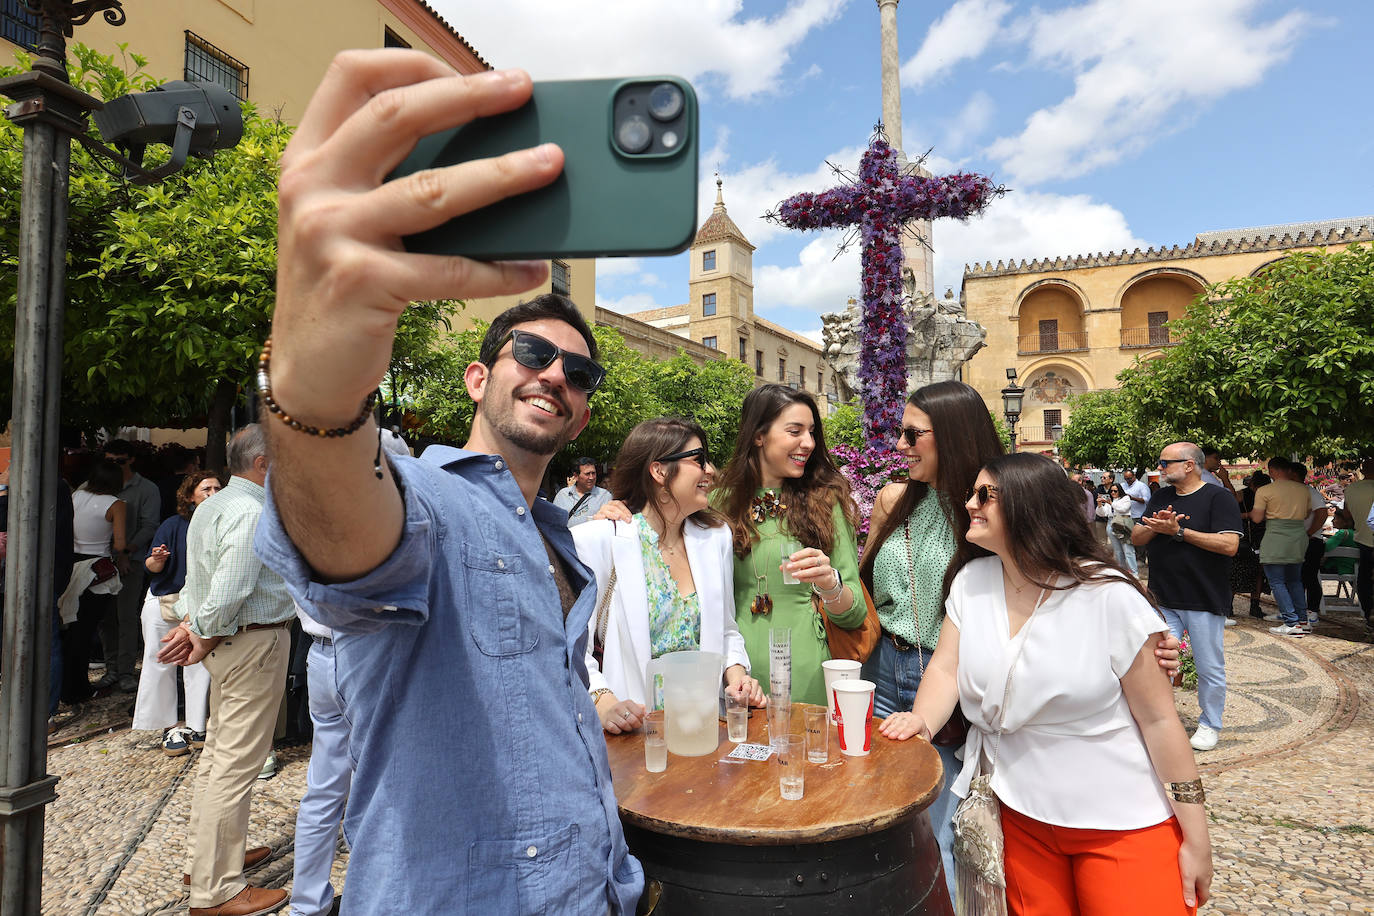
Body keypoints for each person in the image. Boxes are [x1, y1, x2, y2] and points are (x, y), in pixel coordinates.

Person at [254, 90, 645, 912]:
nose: (555, 377)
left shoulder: (556, 536)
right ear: (480, 375)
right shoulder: (423, 499)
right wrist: (315, 389)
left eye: (579, 374)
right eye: (533, 352)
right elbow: (345, 532)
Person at [888, 453, 1212, 915]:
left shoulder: (1107, 596)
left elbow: (1161, 721)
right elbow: (944, 668)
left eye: (984, 495)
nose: (969, 504)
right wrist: (921, 721)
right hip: (1018, 814)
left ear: (1029, 505)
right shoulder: (970, 581)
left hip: (1120, 819)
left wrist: (1196, 839)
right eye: (969, 493)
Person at [856, 379, 1003, 902]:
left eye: (912, 435)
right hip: (881, 668)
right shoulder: (894, 499)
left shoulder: (990, 510)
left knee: (939, 829)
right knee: (875, 811)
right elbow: (866, 582)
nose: (899, 446)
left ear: (953, 435)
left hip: (946, 680)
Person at [158, 425, 293, 916]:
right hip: (251, 639)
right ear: (262, 464)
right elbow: (231, 586)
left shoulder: (211, 506)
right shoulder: (252, 510)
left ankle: (211, 862)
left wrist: (196, 627)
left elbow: (202, 580)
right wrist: (203, 629)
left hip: (233, 641)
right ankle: (217, 890)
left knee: (219, 757)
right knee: (234, 765)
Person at [573, 417, 762, 733]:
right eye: (698, 459)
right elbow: (574, 650)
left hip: (705, 728)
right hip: (637, 735)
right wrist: (603, 702)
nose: (710, 471)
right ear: (659, 471)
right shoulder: (601, 540)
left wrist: (738, 676)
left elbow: (727, 630)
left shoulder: (716, 538)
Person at [711, 384, 865, 707]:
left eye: (811, 432)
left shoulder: (826, 501)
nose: (808, 443)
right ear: (758, 435)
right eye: (795, 431)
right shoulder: (718, 501)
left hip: (805, 674)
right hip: (734, 678)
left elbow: (854, 615)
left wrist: (829, 583)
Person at [1133, 443, 1243, 752]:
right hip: (1163, 597)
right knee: (1156, 664)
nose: (1161, 467)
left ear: (1189, 465)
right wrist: (1157, 527)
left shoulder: (1218, 498)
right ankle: (1157, 719)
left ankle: (1210, 723)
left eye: (1166, 462)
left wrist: (1180, 532)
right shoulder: (1161, 497)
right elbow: (1136, 537)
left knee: (1209, 666)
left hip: (1203, 598)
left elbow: (1229, 545)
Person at [131, 471, 222, 755]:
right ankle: (169, 727)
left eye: (218, 488)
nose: (212, 493)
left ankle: (197, 726)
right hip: (165, 601)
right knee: (160, 662)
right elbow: (151, 566)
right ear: (190, 495)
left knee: (198, 665)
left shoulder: (224, 524)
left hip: (200, 605)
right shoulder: (174, 524)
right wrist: (157, 559)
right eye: (206, 488)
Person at [59, 460, 127, 704]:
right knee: (85, 631)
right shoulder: (116, 504)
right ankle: (77, 689)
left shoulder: (76, 495)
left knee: (69, 628)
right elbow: (119, 544)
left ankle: (65, 686)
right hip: (96, 569)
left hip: (69, 564)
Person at [98, 439, 162, 693]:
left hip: (131, 562)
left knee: (126, 617)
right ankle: (111, 667)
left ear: (131, 460)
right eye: (109, 461)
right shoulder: (96, 486)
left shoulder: (146, 488)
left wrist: (126, 552)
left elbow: (149, 526)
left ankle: (124, 671)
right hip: (100, 561)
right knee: (105, 619)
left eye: (120, 461)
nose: (114, 466)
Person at [1250, 457, 1312, 637]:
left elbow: (1256, 518)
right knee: (1295, 580)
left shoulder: (1265, 490)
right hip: (1298, 535)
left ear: (1272, 471)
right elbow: (1308, 513)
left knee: (1277, 581)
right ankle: (1302, 621)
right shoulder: (1303, 489)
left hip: (1276, 536)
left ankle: (1291, 622)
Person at [1292, 462, 1331, 625]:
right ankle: (1296, 610)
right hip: (1296, 540)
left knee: (1309, 577)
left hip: (1311, 541)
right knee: (1295, 577)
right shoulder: (1292, 492)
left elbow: (1322, 513)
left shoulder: (1310, 492)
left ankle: (1312, 611)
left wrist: (1309, 533)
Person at [1343, 458, 1374, 630]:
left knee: (1364, 577)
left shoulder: (1352, 489)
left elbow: (1347, 515)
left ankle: (1367, 611)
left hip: (1362, 538)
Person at [553, 456, 612, 526]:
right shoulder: (563, 495)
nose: (591, 477)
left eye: (593, 473)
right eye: (587, 474)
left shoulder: (605, 496)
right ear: (576, 476)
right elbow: (553, 522)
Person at [1097, 482, 1137, 574]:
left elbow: (1123, 509)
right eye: (1111, 491)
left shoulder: (1125, 498)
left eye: (1115, 491)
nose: (1113, 493)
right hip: (1111, 523)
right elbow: (1103, 513)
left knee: (1128, 550)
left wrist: (1110, 503)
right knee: (1118, 550)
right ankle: (1122, 571)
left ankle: (1134, 573)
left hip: (1123, 523)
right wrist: (1100, 505)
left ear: (1120, 491)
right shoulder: (1110, 500)